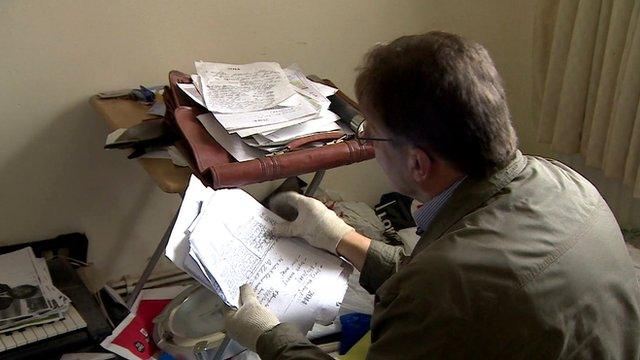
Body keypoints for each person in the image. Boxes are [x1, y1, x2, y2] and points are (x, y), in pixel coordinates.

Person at [224, 31, 640, 359]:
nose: (368, 143)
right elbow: (460, 293)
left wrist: (269, 337)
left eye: (371, 133)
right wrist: (341, 239)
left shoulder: (442, 286)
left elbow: (444, 292)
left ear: (418, 164)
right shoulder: (563, 180)